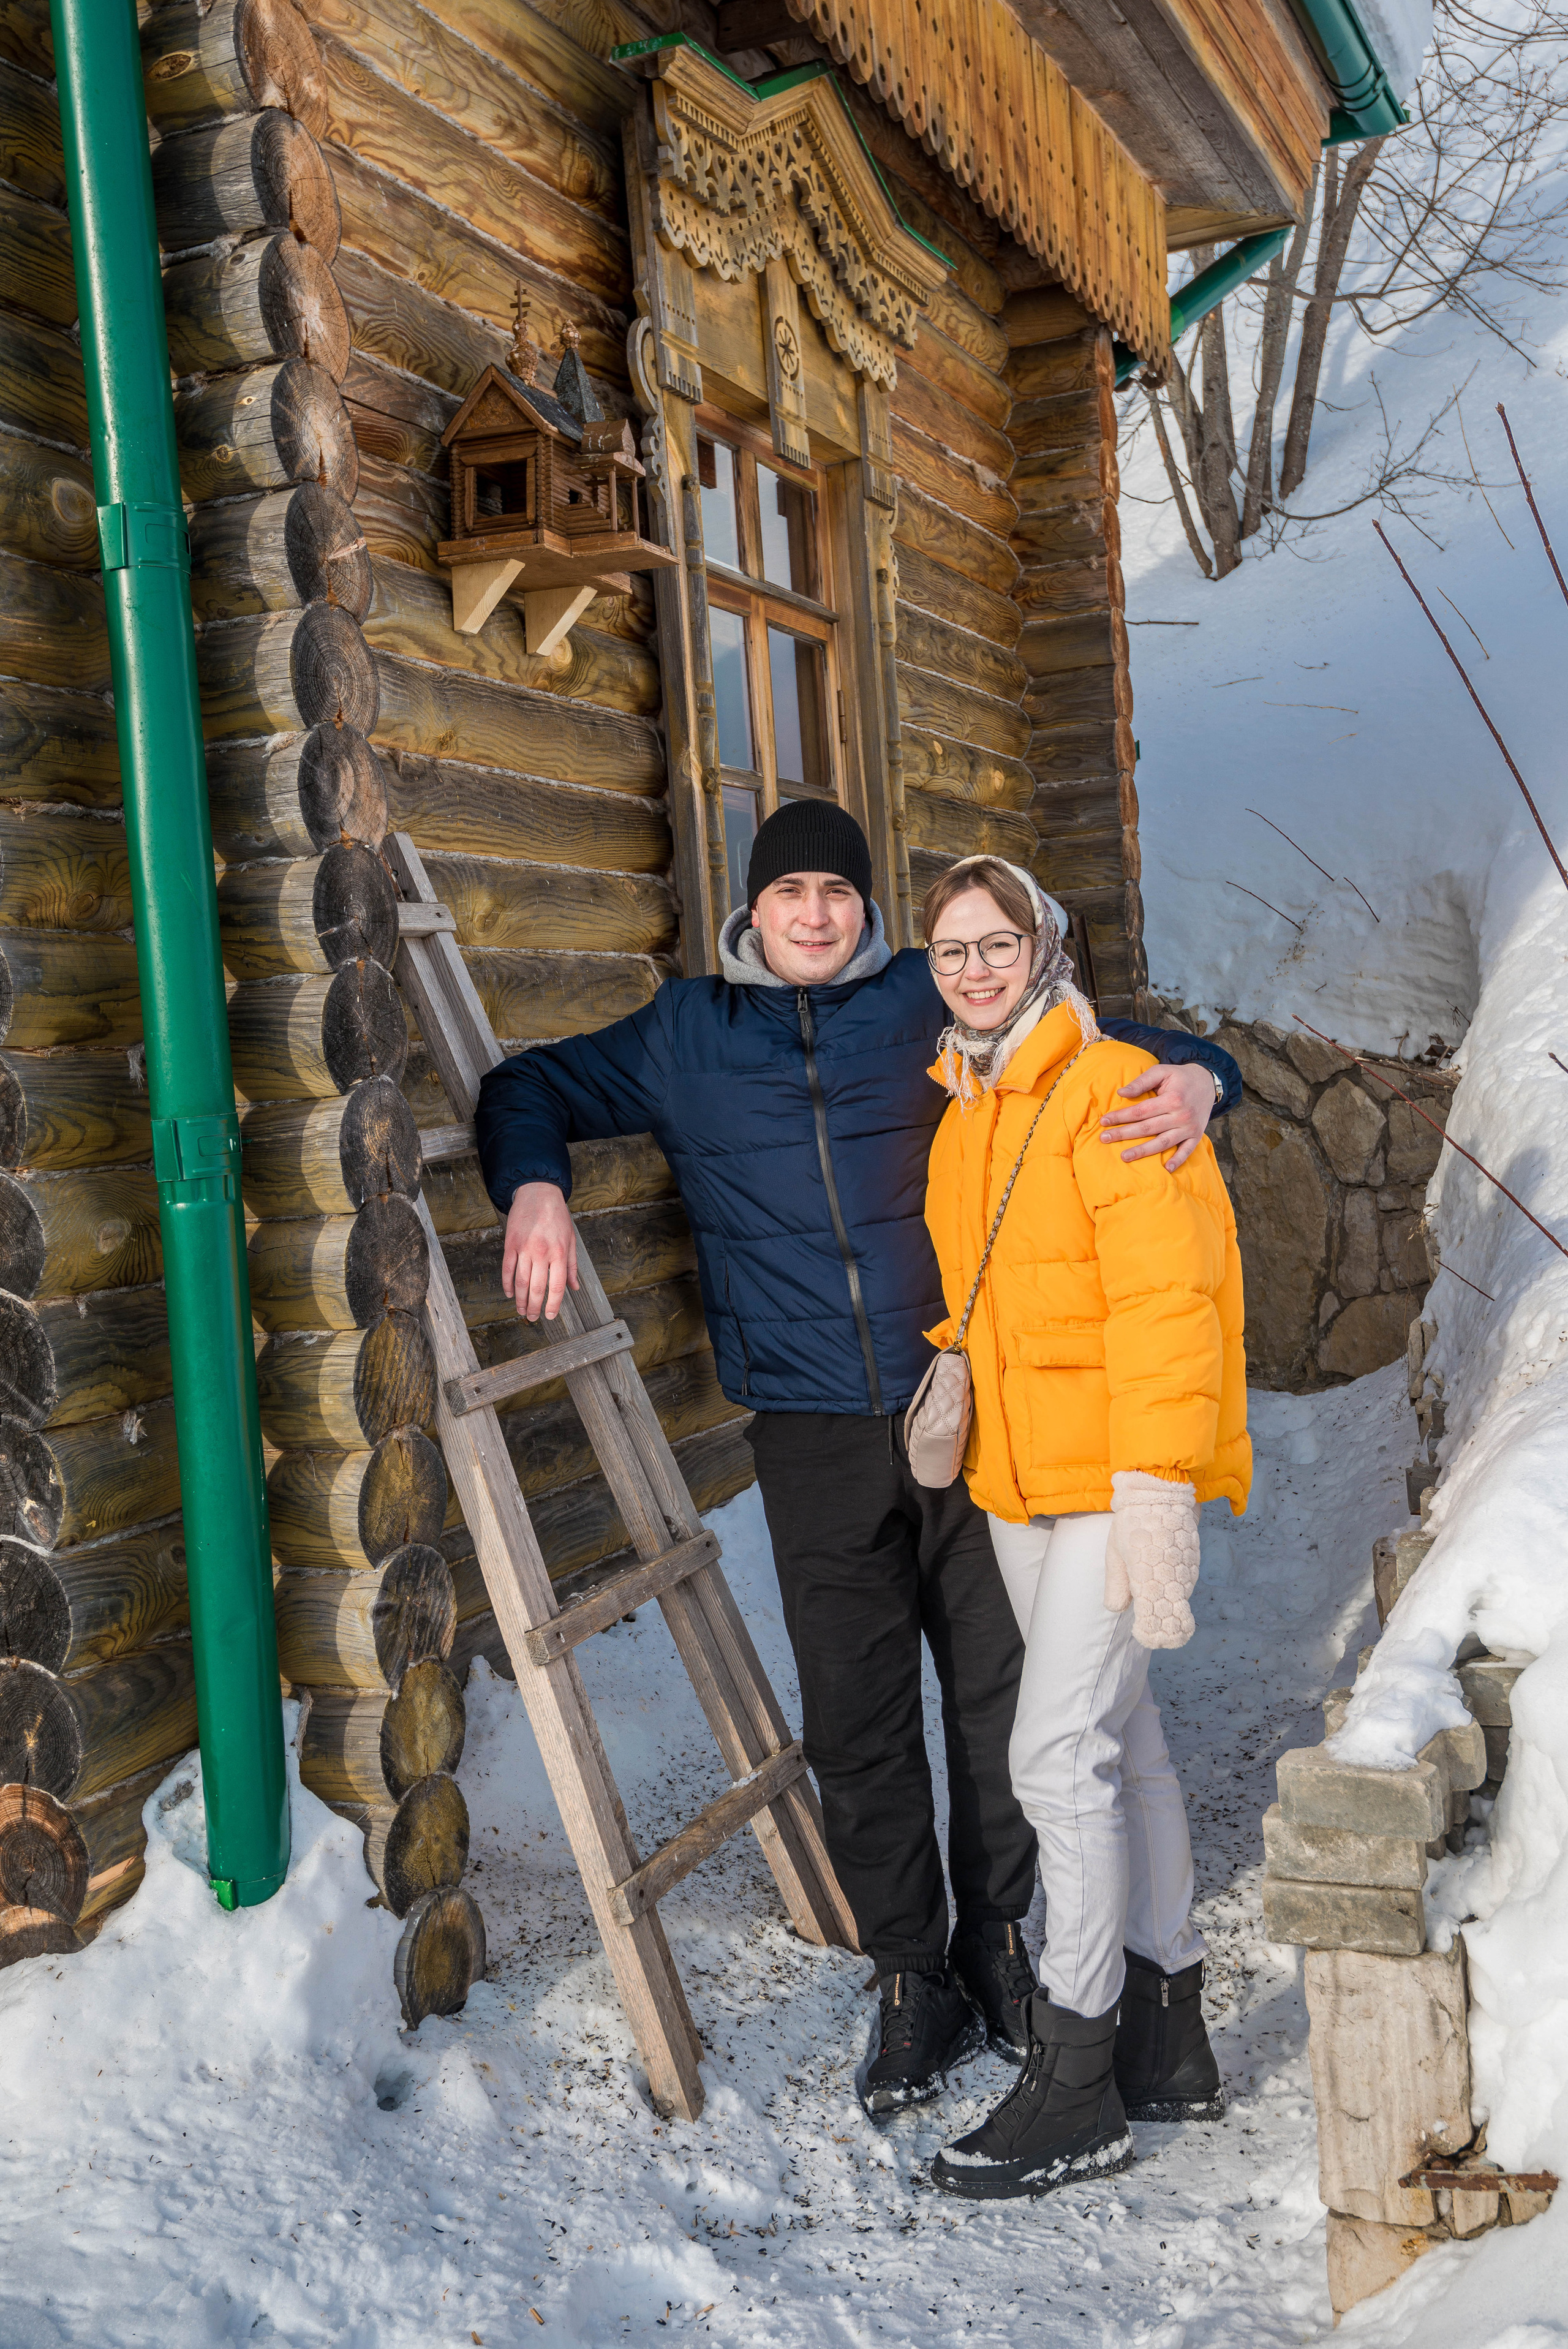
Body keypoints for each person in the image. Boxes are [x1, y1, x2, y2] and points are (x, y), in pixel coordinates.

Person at [474, 802, 1242, 2119]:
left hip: (963, 1409)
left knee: (998, 1696)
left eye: (837, 889)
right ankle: (911, 1975)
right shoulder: (685, 1037)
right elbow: (523, 1086)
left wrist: (1201, 1077)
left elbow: (1114, 1055)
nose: (815, 914)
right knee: (857, 1714)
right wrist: (532, 1183)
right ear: (751, 909)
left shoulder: (924, 1004)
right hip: (810, 1427)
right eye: (791, 893)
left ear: (866, 907)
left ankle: (998, 1943)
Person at [911, 854, 1250, 2202]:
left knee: (1050, 1753)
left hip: (1116, 1476)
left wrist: (1158, 1482)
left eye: (997, 942)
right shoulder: (966, 1109)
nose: (974, 967)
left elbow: (1168, 1304)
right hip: (1022, 1477)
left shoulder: (1117, 1092)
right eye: (949, 950)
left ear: (1046, 948)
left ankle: (1074, 2072)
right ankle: (1170, 2038)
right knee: (1122, 1739)